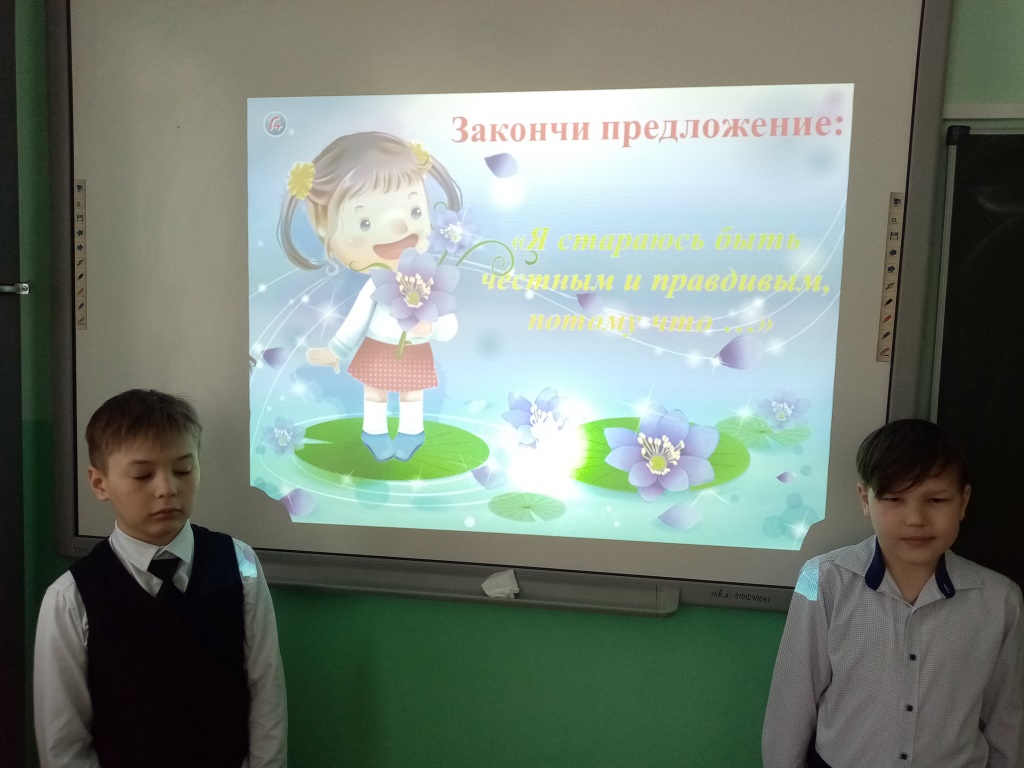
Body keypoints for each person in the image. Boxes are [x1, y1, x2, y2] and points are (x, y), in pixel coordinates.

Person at [34, 389, 288, 768]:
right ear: (99, 483)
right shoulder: (71, 598)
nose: (167, 488)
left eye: (183, 470)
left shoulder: (239, 565)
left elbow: (267, 692)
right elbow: (63, 742)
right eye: (142, 475)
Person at [763, 418, 1023, 768]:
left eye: (936, 499)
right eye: (894, 498)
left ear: (963, 501)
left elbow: (1007, 720)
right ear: (865, 499)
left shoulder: (1001, 601)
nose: (915, 518)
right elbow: (791, 703)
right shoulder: (822, 579)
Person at [278, 131, 464, 462]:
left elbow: (448, 321)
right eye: (365, 221)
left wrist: (432, 329)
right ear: (324, 226)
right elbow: (357, 320)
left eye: (415, 211)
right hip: (377, 348)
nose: (399, 228)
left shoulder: (429, 277)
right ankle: (374, 433)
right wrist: (336, 351)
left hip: (415, 351)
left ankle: (411, 434)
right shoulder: (375, 284)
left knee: (412, 396)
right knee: (375, 394)